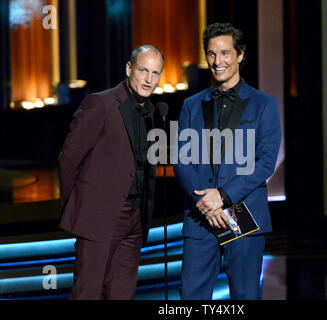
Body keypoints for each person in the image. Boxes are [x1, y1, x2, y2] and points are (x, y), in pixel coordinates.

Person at [173, 23, 281, 300]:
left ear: (240, 55)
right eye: (211, 54)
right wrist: (207, 205)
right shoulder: (191, 105)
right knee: (191, 296)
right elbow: (181, 159)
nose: (217, 61)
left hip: (242, 212)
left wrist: (222, 197)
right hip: (200, 215)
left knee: (244, 295)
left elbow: (266, 162)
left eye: (225, 53)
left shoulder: (264, 104)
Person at [58, 45, 164, 299]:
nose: (149, 79)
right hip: (99, 217)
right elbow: (69, 158)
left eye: (156, 73)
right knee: (88, 293)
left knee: (122, 294)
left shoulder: (150, 111)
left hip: (135, 219)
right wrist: (78, 209)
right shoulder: (100, 103)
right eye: (143, 70)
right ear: (129, 69)